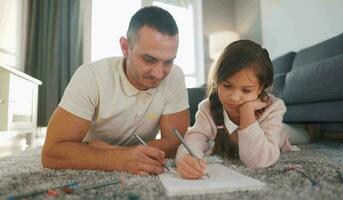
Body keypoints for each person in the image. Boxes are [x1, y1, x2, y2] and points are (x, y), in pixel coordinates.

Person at [42, 6, 190, 175]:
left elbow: (174, 143)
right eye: (149, 59)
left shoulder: (175, 76)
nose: (159, 73)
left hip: (95, 150)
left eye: (168, 62)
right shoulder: (91, 76)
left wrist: (110, 151)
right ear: (125, 47)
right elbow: (52, 153)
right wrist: (119, 159)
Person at [175, 40, 294, 179]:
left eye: (246, 90)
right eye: (227, 86)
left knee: (301, 135)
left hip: (282, 134)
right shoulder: (208, 108)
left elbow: (258, 162)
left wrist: (247, 112)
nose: (234, 97)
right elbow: (195, 138)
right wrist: (188, 158)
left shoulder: (273, 108)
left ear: (261, 88)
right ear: (217, 81)